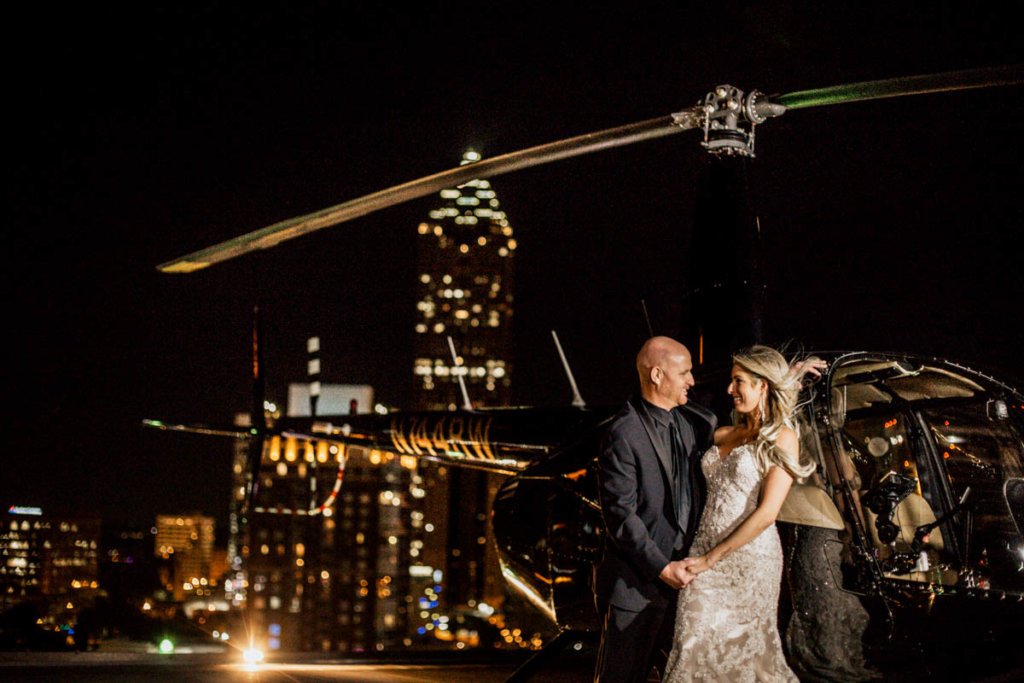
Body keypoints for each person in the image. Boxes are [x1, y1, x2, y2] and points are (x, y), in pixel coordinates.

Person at [663, 345, 822, 683]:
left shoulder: (783, 437)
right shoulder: (722, 433)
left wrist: (710, 559)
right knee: (692, 646)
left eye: (738, 382)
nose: (729, 389)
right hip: (702, 555)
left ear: (763, 385)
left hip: (750, 562)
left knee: (749, 657)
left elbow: (767, 514)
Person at [594, 336, 717, 683]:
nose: (692, 381)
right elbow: (620, 516)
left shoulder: (693, 423)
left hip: (687, 586)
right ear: (658, 375)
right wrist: (662, 568)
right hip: (636, 588)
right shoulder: (623, 432)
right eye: (685, 373)